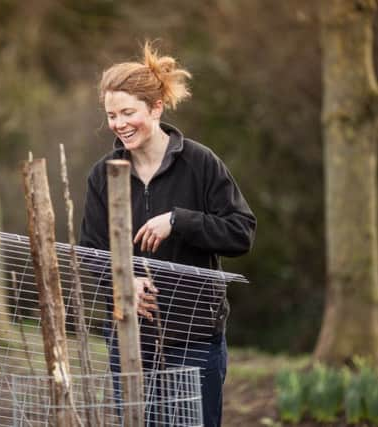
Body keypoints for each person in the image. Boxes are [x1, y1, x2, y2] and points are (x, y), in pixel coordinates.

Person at [79, 43, 256, 427]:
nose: (119, 123)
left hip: (195, 338)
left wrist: (179, 221)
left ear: (156, 107)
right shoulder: (103, 174)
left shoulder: (201, 163)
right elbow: (91, 250)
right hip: (128, 337)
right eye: (111, 115)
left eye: (128, 112)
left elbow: (241, 232)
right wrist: (123, 282)